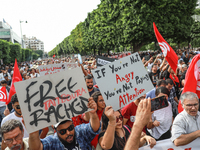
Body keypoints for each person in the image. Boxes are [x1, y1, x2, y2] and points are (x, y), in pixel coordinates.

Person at [29, 97, 101, 150]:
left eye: (70, 128)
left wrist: (93, 114)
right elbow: (37, 148)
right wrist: (33, 133)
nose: (68, 133)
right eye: (63, 132)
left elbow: (94, 128)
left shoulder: (79, 132)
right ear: (56, 131)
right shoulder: (53, 141)